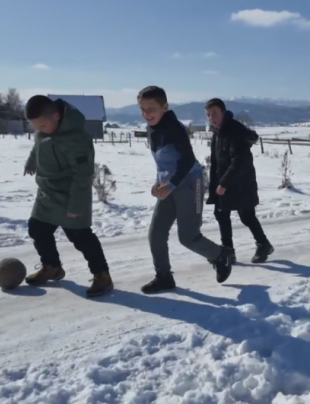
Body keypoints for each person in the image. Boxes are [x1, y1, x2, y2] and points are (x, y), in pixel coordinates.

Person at [137, 86, 235, 294]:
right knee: (156, 234)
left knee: (188, 236)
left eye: (151, 109)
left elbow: (186, 160)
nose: (146, 114)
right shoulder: (151, 128)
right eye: (142, 109)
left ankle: (220, 255)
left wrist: (169, 185)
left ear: (165, 107)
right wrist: (158, 182)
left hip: (191, 183)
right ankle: (164, 277)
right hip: (169, 185)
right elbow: (162, 162)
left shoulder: (174, 128)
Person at [22, 95, 113, 298]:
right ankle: (51, 266)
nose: (39, 129)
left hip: (71, 194)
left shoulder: (76, 139)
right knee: (37, 229)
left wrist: (77, 206)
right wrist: (31, 161)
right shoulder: (44, 129)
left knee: (80, 237)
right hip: (47, 193)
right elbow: (38, 145)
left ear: (56, 116)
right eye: (36, 126)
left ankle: (102, 275)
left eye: (43, 125)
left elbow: (83, 175)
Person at [205, 98, 274, 263]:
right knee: (222, 213)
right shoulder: (218, 131)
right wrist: (214, 183)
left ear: (223, 112)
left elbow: (240, 161)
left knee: (246, 215)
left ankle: (262, 244)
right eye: (208, 115)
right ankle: (229, 251)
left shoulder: (234, 130)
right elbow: (216, 161)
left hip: (241, 183)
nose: (211, 118)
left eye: (214, 113)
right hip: (227, 182)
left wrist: (223, 183)